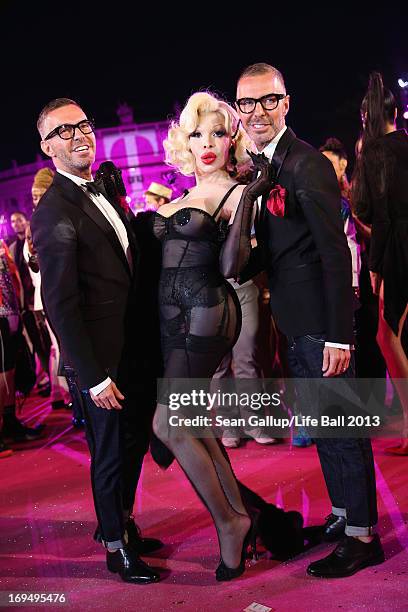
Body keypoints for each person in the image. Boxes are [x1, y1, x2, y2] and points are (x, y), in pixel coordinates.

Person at [235, 63, 384, 578]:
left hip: (324, 327)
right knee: (324, 431)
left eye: (267, 101)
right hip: (297, 324)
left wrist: (340, 338)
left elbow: (335, 255)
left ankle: (364, 537)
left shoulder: (307, 164)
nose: (257, 112)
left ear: (286, 103)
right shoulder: (266, 168)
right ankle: (345, 518)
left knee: (343, 431)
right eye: (247, 104)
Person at [31, 98, 162, 584]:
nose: (78, 135)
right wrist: (91, 375)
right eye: (63, 131)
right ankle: (114, 548)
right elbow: (61, 304)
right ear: (46, 147)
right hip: (101, 361)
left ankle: (121, 523)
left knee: (131, 447)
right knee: (109, 454)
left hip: (131, 349)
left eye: (83, 124)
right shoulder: (54, 210)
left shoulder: (99, 190)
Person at [149, 91, 276, 581]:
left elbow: (231, 267)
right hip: (173, 318)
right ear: (184, 140)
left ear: (232, 141)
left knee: (169, 425)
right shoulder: (180, 195)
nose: (208, 144)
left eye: (219, 134)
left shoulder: (235, 192)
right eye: (198, 133)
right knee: (196, 421)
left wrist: (247, 199)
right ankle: (247, 515)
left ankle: (231, 522)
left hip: (207, 311)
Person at [352, 72, 408, 455]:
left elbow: (372, 212)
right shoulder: (405, 143)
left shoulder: (372, 153)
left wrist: (374, 264)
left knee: (388, 337)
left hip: (396, 249)